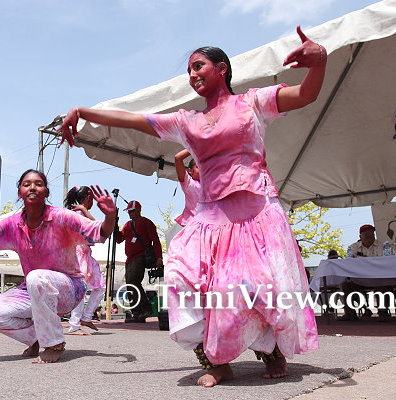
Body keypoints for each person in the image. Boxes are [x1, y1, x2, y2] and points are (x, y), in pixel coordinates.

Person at [58, 26, 324, 386]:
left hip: (256, 212)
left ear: (222, 69)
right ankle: (215, 360)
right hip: (210, 217)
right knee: (182, 279)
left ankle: (270, 350)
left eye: (199, 66)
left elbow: (306, 94)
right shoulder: (187, 121)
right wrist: (83, 111)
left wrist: (319, 62)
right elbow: (135, 121)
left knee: (253, 286)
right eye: (189, 71)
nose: (192, 75)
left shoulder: (252, 103)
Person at [0, 170, 116, 363]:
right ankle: (35, 338)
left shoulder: (62, 217)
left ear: (46, 192)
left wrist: (110, 216)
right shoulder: (12, 224)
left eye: (38, 184)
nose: (32, 187)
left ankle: (54, 343)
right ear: (19, 192)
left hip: (69, 289)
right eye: (27, 184)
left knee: (36, 277)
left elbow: (100, 233)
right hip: (33, 289)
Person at [64, 186, 107, 335]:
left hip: (85, 253)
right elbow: (97, 226)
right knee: (81, 288)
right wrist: (84, 210)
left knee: (100, 286)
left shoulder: (79, 212)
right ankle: (74, 325)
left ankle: (86, 317)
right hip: (79, 253)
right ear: (88, 198)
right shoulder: (78, 213)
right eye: (92, 199)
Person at [116, 200, 163, 323]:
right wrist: (115, 225)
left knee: (133, 282)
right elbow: (119, 239)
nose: (129, 213)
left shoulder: (146, 222)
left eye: (132, 211)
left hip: (140, 256)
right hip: (130, 258)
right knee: (130, 284)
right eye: (128, 211)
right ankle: (137, 312)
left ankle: (144, 309)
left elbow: (155, 241)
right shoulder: (127, 225)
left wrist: (159, 257)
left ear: (138, 210)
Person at [338, 225, 391, 322]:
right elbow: (350, 262)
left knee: (382, 284)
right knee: (345, 284)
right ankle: (350, 313)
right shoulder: (353, 247)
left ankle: (383, 312)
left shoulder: (381, 245)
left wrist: (362, 261)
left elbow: (382, 261)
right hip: (359, 278)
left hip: (377, 277)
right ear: (360, 236)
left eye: (371, 233)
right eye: (366, 233)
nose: (369, 235)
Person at [174, 149, 201, 227]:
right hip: (192, 226)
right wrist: (195, 145)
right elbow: (178, 158)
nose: (203, 169)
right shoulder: (188, 183)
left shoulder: (211, 185)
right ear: (190, 171)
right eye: (198, 167)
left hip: (208, 227)